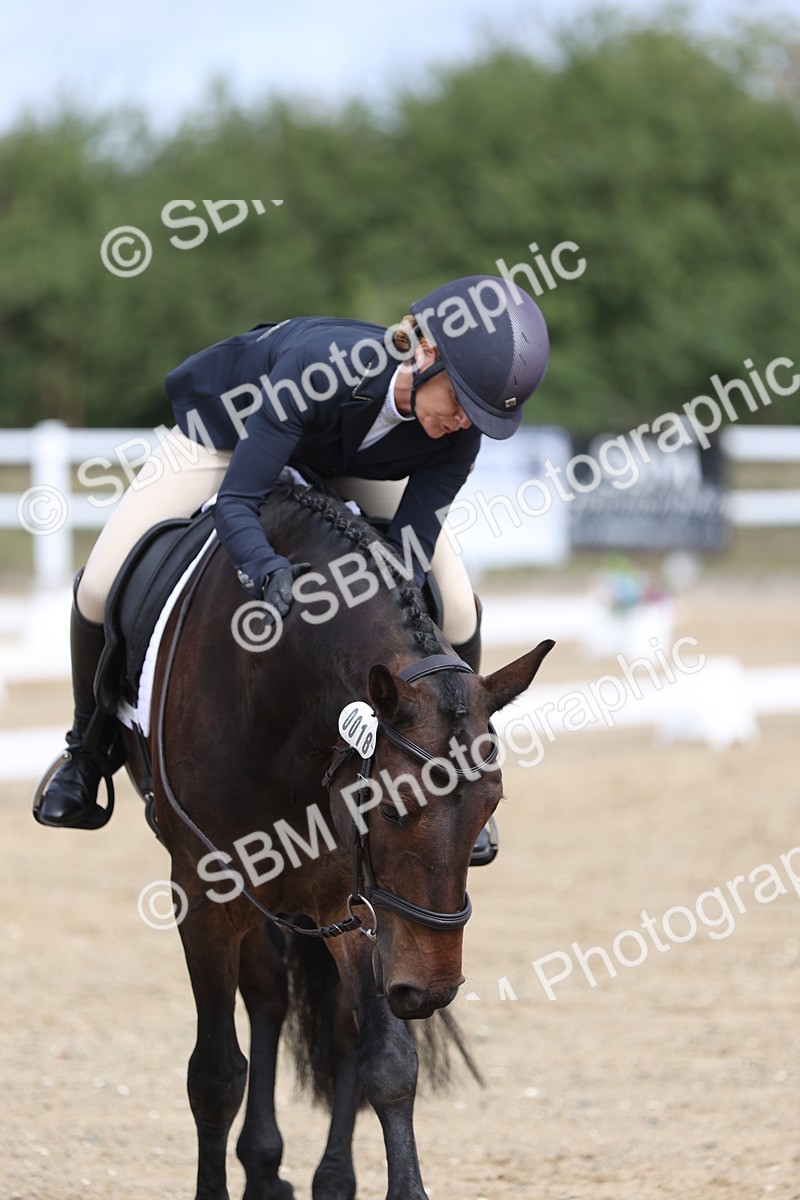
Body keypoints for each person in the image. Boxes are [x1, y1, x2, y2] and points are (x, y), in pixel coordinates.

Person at [35, 274, 549, 831]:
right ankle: (86, 753)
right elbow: (238, 500)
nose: (464, 422)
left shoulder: (457, 434)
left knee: (455, 603)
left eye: (479, 415)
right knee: (99, 583)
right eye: (460, 400)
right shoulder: (321, 366)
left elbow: (406, 552)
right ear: (425, 350)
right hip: (228, 431)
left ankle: (451, 757)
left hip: (345, 457)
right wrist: (265, 570)